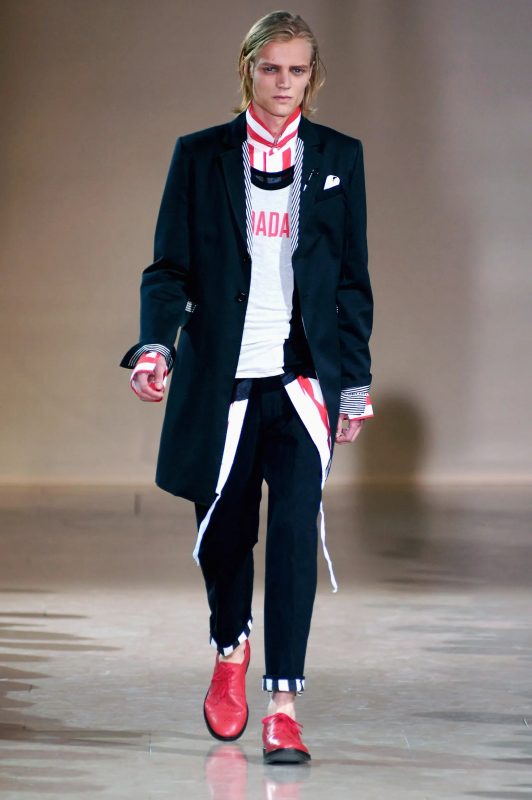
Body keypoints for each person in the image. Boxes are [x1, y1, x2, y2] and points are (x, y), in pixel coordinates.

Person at [120, 10, 373, 764]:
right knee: (226, 537)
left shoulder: (339, 157)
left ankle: (283, 707)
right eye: (271, 68)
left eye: (298, 70)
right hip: (221, 384)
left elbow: (350, 280)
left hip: (301, 382)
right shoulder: (199, 156)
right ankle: (230, 647)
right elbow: (168, 269)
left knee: (294, 538)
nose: (284, 83)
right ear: (248, 70)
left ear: (313, 76)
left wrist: (354, 381)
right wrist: (156, 347)